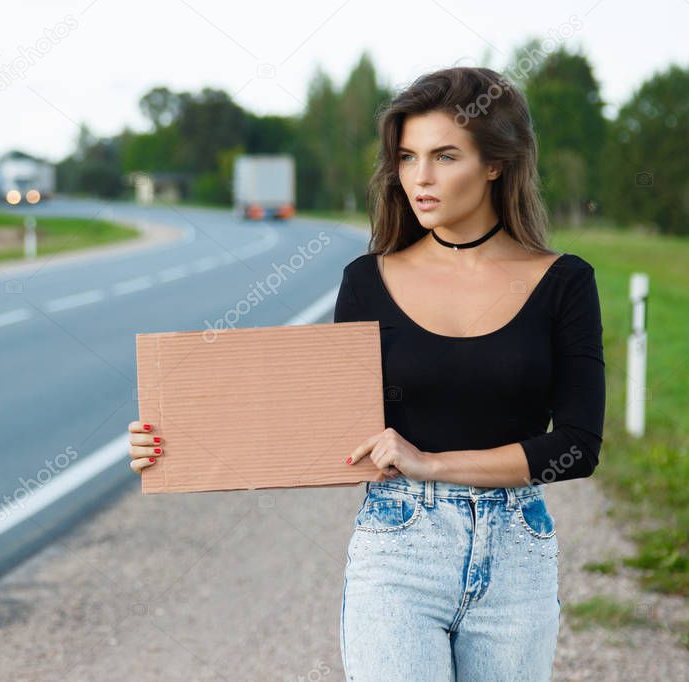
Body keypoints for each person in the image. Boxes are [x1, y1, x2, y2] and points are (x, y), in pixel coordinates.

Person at [128, 65, 606, 681]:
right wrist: (173, 440)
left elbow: (578, 445)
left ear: (496, 164)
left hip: (519, 551)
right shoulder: (367, 281)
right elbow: (317, 423)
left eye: (444, 156)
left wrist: (433, 462)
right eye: (407, 157)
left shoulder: (565, 282)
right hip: (399, 550)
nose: (420, 178)